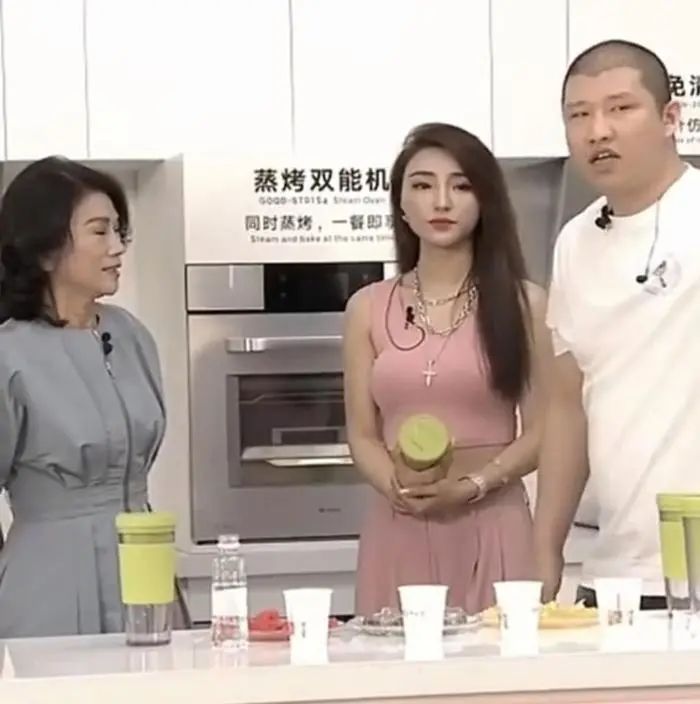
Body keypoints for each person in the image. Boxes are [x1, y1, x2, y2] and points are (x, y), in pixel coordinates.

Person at [343, 122, 552, 616]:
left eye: (461, 186)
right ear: (400, 204)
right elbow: (361, 434)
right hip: (398, 526)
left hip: (495, 521)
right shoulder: (366, 307)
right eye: (422, 185)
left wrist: (473, 486)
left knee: (499, 661)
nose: (441, 201)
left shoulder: (526, 305)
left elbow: (544, 430)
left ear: (484, 201)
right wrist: (398, 488)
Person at [534, 39, 700, 609]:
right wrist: (544, 546)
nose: (598, 131)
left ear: (670, 118)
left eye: (621, 108)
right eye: (579, 115)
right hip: (615, 576)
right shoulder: (575, 242)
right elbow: (565, 405)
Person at [0, 157, 166, 638]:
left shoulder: (130, 334)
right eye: (99, 231)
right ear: (45, 249)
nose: (117, 247)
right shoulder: (9, 353)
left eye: (118, 230)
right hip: (47, 586)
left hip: (146, 572)